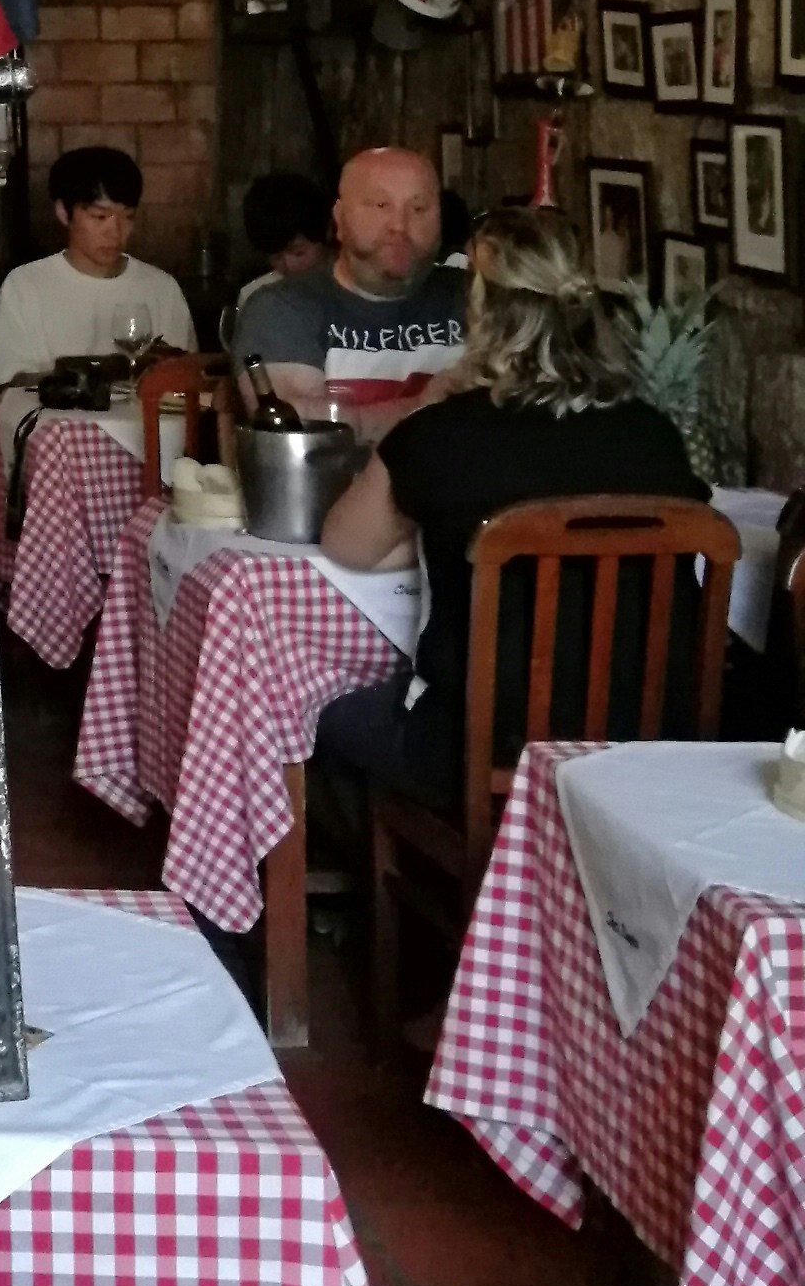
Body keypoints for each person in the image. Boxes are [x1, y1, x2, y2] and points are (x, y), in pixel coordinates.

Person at [313, 202, 705, 817]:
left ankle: (388, 905)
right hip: (649, 750)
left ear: (480, 312)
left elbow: (346, 544)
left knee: (331, 718)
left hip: (482, 748)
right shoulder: (652, 433)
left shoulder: (443, 434)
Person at [229, 143, 464, 439]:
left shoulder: (479, 297)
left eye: (419, 208)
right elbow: (298, 431)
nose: (400, 226)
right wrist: (424, 406)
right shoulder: (280, 308)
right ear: (339, 219)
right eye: (380, 205)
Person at [0, 145, 196, 395]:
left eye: (127, 217)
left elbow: (188, 376)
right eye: (99, 217)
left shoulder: (161, 288)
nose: (115, 232)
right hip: (56, 430)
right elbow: (9, 382)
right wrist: (100, 372)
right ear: (64, 213)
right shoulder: (26, 285)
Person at [236, 170, 332, 303]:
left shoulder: (358, 289)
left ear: (327, 232)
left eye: (299, 252)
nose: (289, 266)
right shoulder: (257, 297)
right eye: (276, 257)